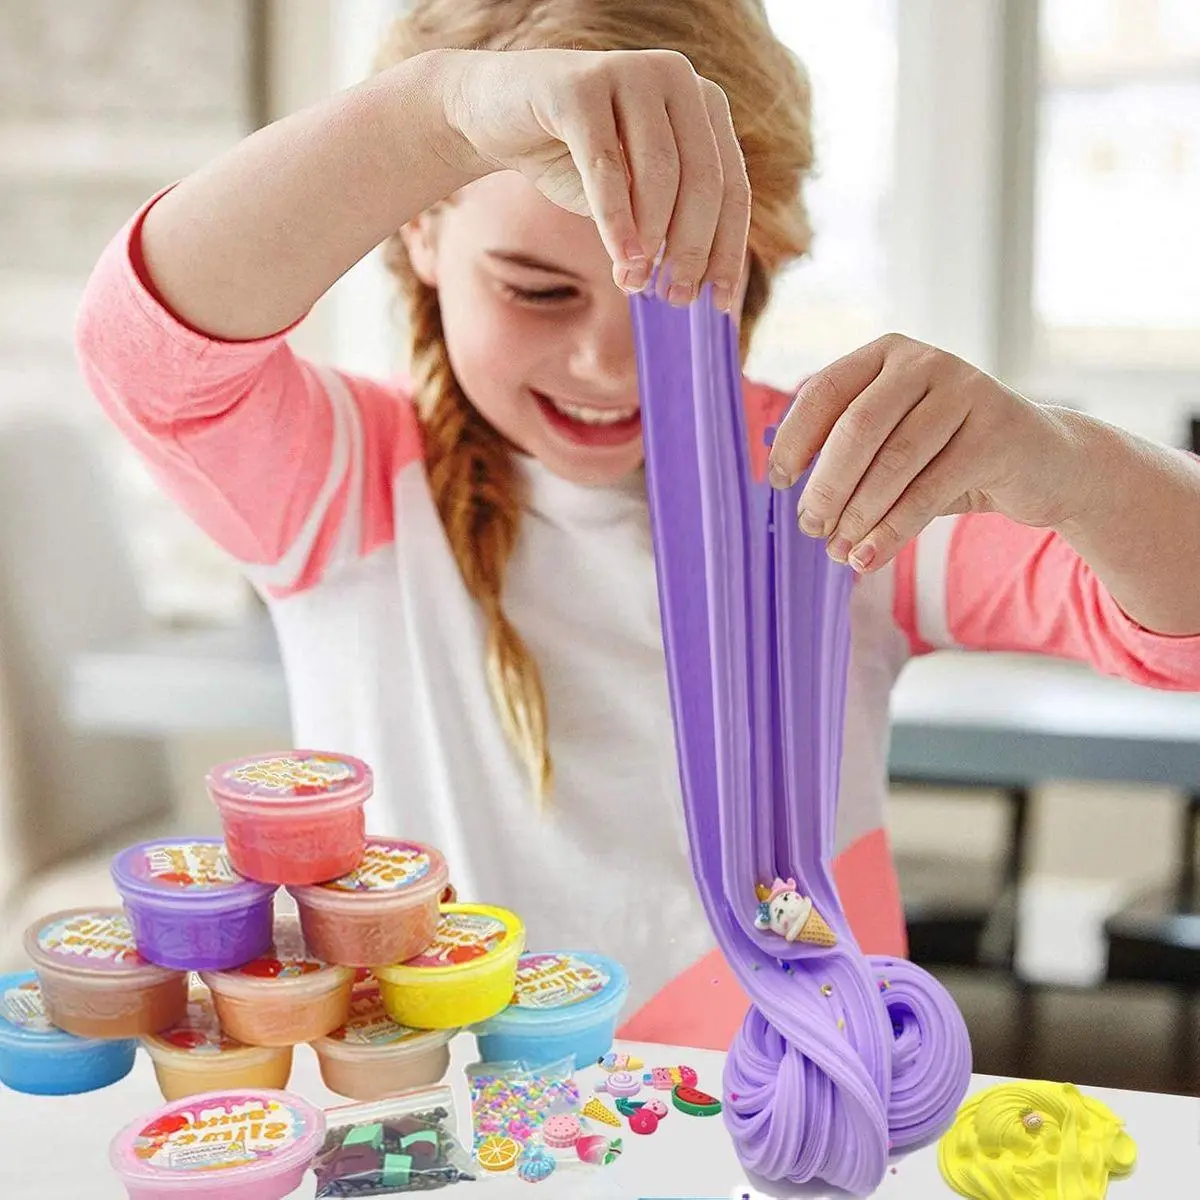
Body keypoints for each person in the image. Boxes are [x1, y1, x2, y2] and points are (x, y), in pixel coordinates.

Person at [75, 0, 1200, 1048]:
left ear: (761, 256)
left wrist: (1066, 464)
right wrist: (439, 116)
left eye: (679, 291)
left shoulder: (835, 478)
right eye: (538, 290)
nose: (609, 366)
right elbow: (147, 346)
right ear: (421, 231)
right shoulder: (342, 478)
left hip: (782, 1121)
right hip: (441, 1125)